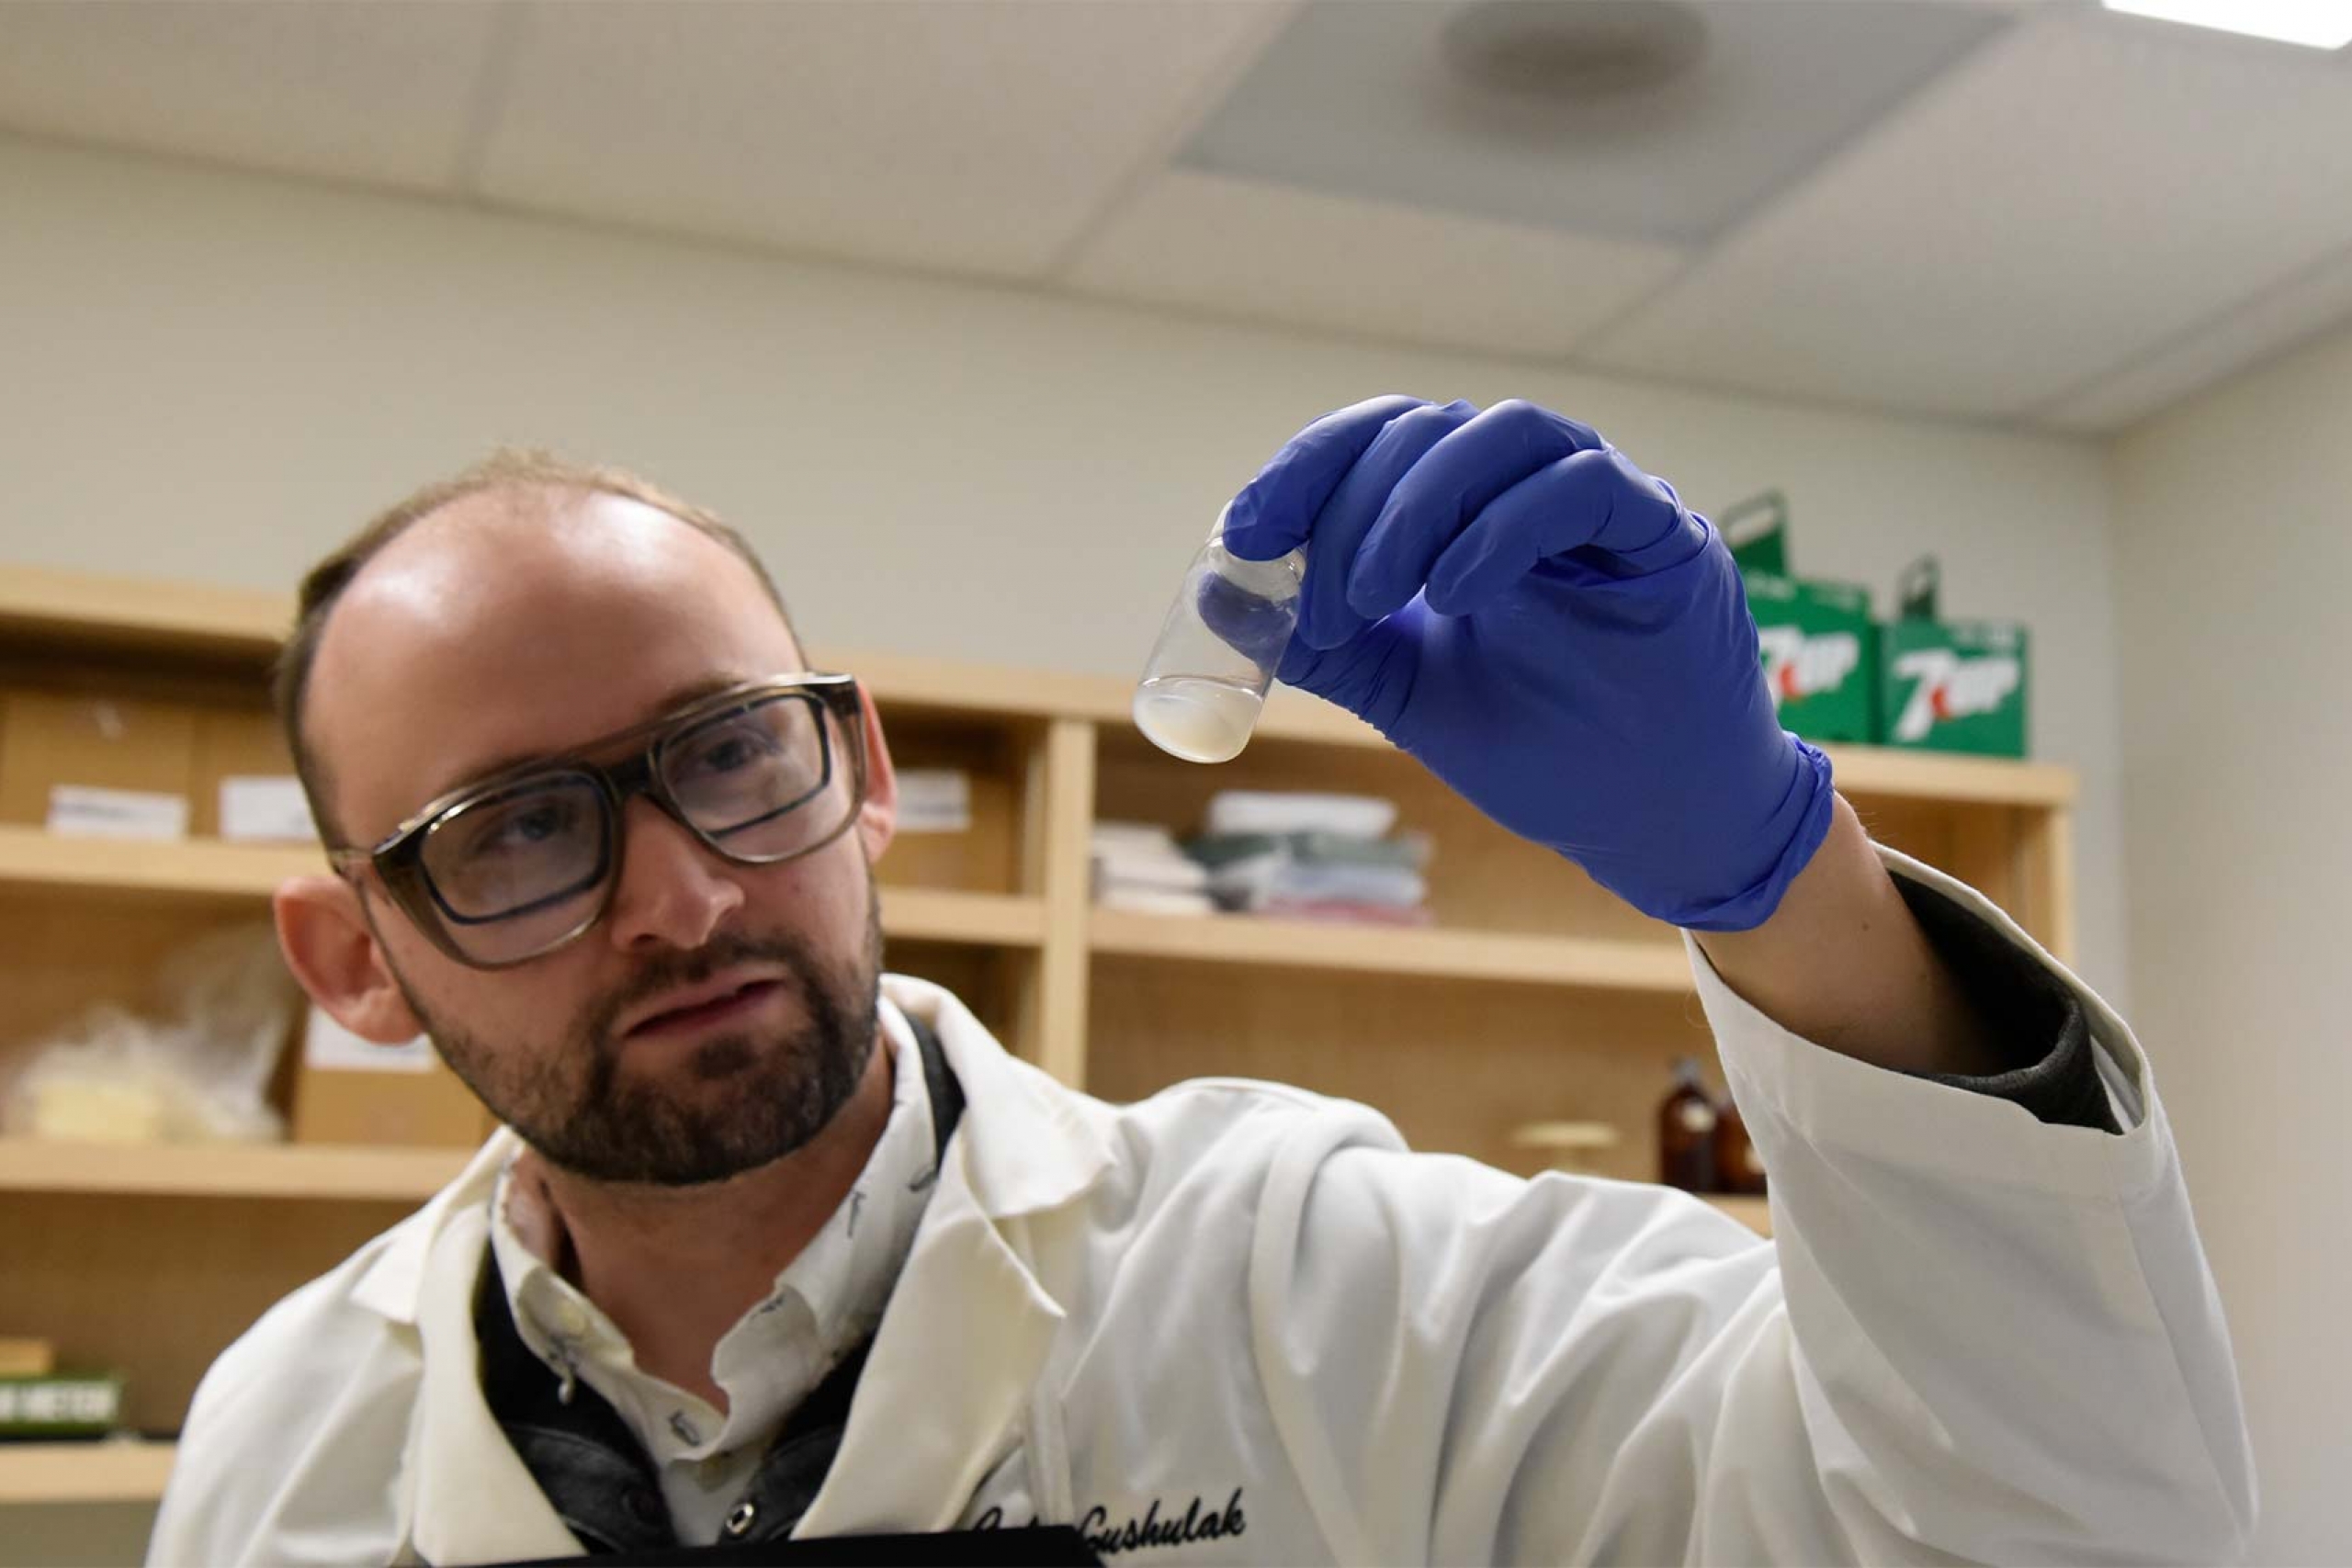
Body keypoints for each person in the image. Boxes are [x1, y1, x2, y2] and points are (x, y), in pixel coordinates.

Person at [149, 397, 2253, 1567]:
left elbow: (2063, 1537)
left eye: (726, 753)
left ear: (861, 769)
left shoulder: (1331, 1288)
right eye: (516, 829)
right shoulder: (281, 1445)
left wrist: (1775, 878)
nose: (683, 898)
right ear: (352, 955)